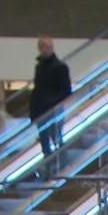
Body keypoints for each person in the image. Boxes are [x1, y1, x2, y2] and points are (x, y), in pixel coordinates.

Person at [28, 35, 72, 169]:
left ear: (52, 47)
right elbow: (37, 89)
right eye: (42, 47)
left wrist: (51, 102)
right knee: (45, 142)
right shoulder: (39, 67)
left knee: (56, 137)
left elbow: (66, 91)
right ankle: (49, 168)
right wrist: (33, 110)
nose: (45, 49)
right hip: (41, 110)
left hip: (53, 109)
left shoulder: (60, 67)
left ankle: (61, 165)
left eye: (47, 47)